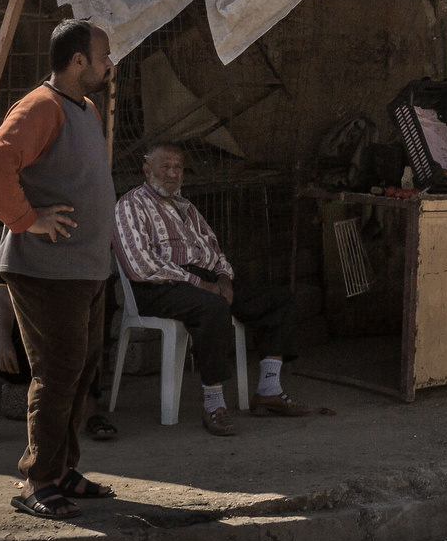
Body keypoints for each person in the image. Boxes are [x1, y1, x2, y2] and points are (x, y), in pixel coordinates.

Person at [0, 18, 118, 519]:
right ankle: (37, 480)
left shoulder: (86, 108)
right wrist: (27, 220)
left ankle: (61, 470)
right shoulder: (41, 106)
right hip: (46, 272)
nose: (109, 64)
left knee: (78, 373)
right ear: (77, 62)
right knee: (56, 375)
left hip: (84, 270)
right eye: (103, 56)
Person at [114, 140, 309, 435]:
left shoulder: (187, 208)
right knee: (213, 308)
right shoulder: (130, 204)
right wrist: (201, 284)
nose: (172, 173)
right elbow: (141, 266)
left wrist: (223, 279)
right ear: (146, 169)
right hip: (159, 287)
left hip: (203, 281)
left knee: (277, 299)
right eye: (164, 166)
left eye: (177, 167)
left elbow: (214, 250)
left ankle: (269, 388)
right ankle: (214, 404)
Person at [0, 276, 118, 447]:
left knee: (84, 322)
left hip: (60, 357)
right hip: (22, 357)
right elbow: (3, 303)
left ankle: (91, 412)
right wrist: (4, 343)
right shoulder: (10, 256)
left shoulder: (69, 261)